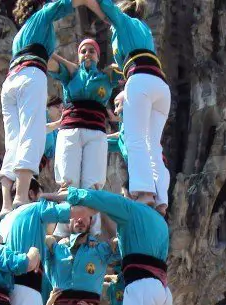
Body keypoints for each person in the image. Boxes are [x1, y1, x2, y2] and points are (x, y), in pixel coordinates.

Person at [0, 0, 89, 213]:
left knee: (13, 140)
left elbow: (47, 55)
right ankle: (21, 197)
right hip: (30, 75)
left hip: (10, 81)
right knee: (33, 133)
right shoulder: (42, 16)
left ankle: (5, 204)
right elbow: (63, 4)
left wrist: (66, 64)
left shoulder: (22, 35)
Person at [90, 0, 171, 209]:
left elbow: (106, 8)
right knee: (153, 145)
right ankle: (162, 199)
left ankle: (144, 192)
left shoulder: (124, 22)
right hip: (161, 86)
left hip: (140, 80)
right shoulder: (143, 29)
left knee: (135, 139)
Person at [49, 38, 113, 195]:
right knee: (67, 185)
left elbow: (128, 70)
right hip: (71, 130)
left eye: (92, 51)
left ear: (98, 57)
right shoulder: (70, 75)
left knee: (93, 188)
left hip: (96, 133)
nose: (87, 54)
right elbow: (47, 60)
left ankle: (88, 220)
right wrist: (68, 64)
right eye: (83, 51)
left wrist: (111, 67)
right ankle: (65, 220)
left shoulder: (107, 77)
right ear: (78, 56)